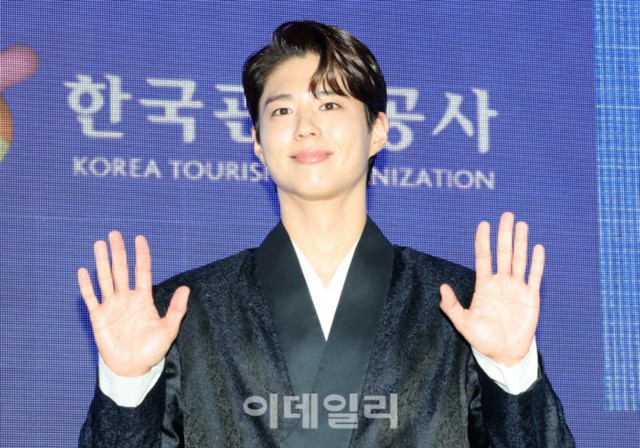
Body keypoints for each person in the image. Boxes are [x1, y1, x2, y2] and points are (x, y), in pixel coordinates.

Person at [78, 21, 574, 447]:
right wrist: (127, 385)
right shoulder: (182, 312)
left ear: (378, 129)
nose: (306, 127)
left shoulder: (460, 307)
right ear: (256, 141)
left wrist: (512, 372)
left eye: (331, 105)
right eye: (282, 110)